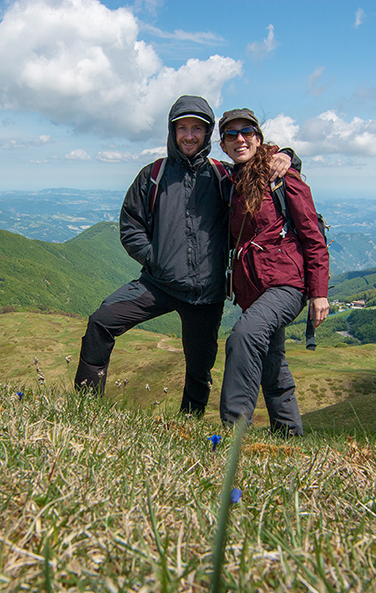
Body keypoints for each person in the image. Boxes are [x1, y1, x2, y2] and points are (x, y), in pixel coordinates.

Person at [74, 95, 293, 415]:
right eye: (182, 128)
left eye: (197, 128)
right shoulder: (154, 174)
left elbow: (256, 171)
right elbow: (130, 225)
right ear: (172, 131)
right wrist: (156, 258)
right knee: (100, 322)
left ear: (207, 135)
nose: (189, 135)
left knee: (199, 368)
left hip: (206, 293)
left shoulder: (223, 176)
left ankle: (188, 424)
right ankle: (84, 407)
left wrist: (288, 155)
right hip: (157, 285)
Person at [218, 108, 330, 436]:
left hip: (287, 284)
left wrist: (319, 293)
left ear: (258, 137)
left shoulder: (282, 178)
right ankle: (289, 436)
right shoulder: (231, 182)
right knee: (272, 362)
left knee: (245, 336)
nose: (240, 139)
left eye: (247, 131)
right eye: (231, 134)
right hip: (253, 291)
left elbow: (312, 236)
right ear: (223, 145)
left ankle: (233, 432)